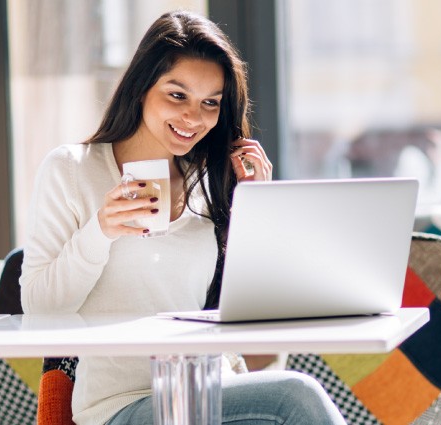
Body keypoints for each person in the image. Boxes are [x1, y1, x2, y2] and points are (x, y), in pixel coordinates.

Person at [19, 10, 346, 425]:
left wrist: (258, 214)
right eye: (177, 95)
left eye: (210, 103)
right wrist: (100, 231)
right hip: (124, 403)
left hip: (214, 389)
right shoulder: (72, 169)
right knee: (295, 397)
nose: (194, 117)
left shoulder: (210, 180)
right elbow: (41, 309)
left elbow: (254, 315)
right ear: (141, 89)